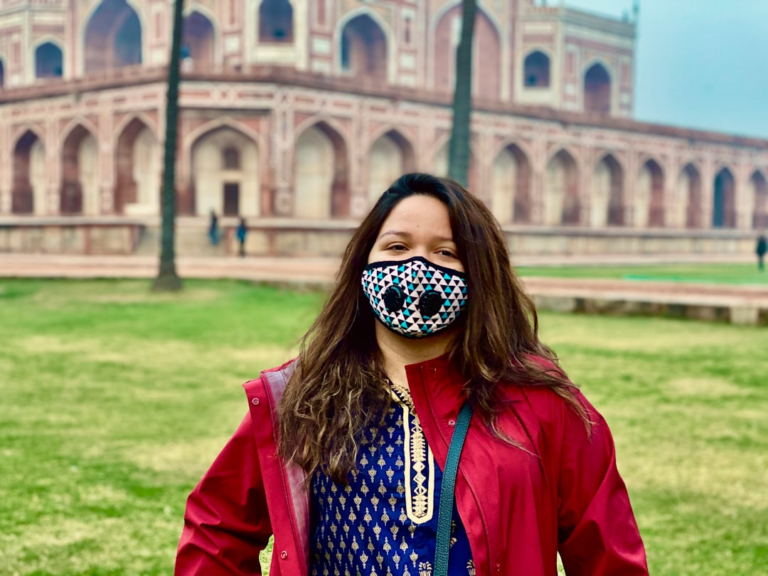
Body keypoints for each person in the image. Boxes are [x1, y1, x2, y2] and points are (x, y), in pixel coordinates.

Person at [175, 173, 648, 576]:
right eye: (397, 246)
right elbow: (218, 526)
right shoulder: (303, 397)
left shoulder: (541, 404)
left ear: (479, 273)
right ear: (365, 263)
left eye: (446, 252)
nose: (417, 266)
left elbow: (607, 555)